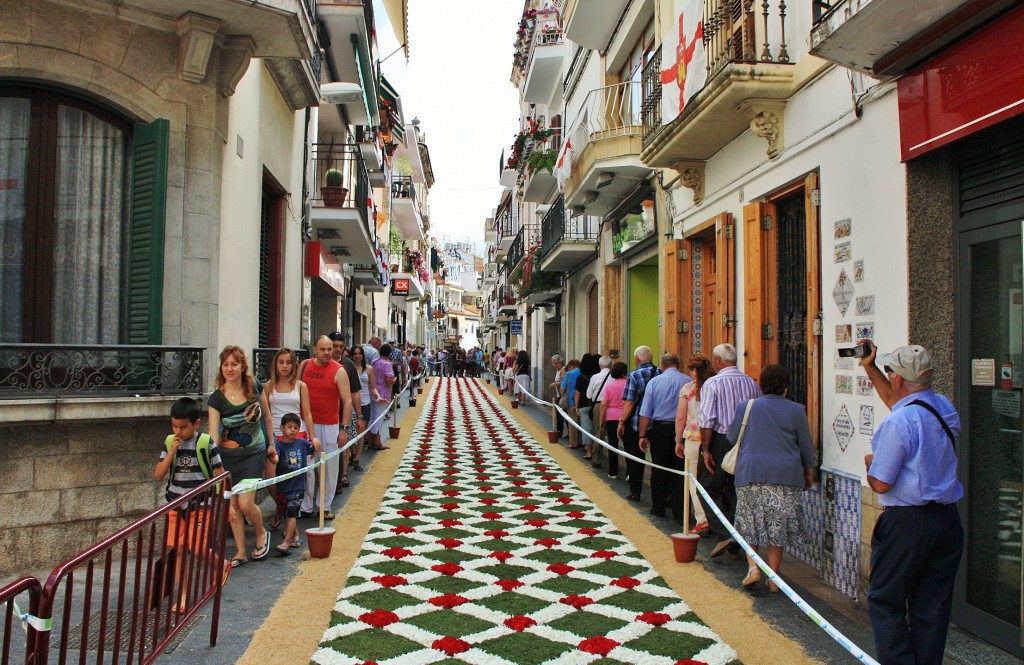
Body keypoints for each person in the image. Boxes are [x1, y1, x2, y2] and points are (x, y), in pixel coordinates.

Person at [860, 342, 963, 665]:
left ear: (900, 380)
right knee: (931, 607)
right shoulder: (943, 407)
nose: (888, 377)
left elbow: (881, 482)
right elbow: (901, 404)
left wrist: (870, 462)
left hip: (907, 524)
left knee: (885, 600)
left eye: (890, 372)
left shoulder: (898, 423)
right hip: (946, 520)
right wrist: (871, 368)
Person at [730, 364, 815, 591]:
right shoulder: (797, 410)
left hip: (751, 472)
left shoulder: (746, 407)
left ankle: (754, 568)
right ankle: (774, 576)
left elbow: (731, 437)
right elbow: (806, 445)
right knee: (777, 525)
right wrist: (809, 471)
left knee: (750, 521)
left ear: (760, 384)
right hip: (786, 473)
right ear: (786, 387)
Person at [155, 397, 231, 607]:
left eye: (183, 427)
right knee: (178, 549)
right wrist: (171, 453)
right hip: (175, 504)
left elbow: (220, 474)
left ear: (196, 424)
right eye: (174, 426)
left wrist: (227, 504)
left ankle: (222, 564)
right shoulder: (170, 442)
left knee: (196, 547)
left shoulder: (206, 443)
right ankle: (183, 596)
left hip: (200, 504)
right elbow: (159, 474)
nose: (178, 431)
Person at [206, 346, 273, 567]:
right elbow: (214, 434)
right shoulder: (216, 399)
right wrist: (212, 460)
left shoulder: (255, 387)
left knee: (245, 503)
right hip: (227, 457)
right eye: (225, 364)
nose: (229, 368)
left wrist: (271, 444)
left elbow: (267, 418)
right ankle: (241, 551)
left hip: (254, 453)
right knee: (232, 506)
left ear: (243, 366)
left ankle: (261, 533)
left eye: (234, 364)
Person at [698, 342, 761, 556]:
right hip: (747, 440)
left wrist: (706, 451)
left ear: (717, 360)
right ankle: (737, 536)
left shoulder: (713, 383)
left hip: (721, 439)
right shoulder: (751, 383)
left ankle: (726, 533)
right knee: (735, 489)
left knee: (706, 486)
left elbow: (707, 419)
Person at [263, 348, 318, 531]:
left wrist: (312, 436)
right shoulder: (268, 386)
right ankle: (281, 507)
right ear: (275, 364)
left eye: (288, 362)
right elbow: (267, 415)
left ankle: (291, 512)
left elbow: (308, 413)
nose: (284, 366)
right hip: (276, 437)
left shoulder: (300, 386)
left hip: (297, 434)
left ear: (293, 365)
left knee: (297, 477)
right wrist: (269, 439)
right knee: (272, 477)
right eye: (281, 362)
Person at [298, 336, 352, 521]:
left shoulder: (339, 371)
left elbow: (347, 400)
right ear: (315, 349)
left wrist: (344, 428)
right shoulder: (304, 366)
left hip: (329, 424)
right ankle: (306, 505)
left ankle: (324, 505)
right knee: (306, 466)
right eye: (323, 349)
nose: (328, 353)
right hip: (305, 423)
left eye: (330, 349)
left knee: (329, 468)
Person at [638, 354, 692, 523]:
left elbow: (646, 411)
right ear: (678, 363)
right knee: (680, 471)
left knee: (659, 468)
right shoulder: (689, 381)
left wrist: (642, 434)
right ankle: (680, 512)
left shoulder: (654, 382)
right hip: (682, 430)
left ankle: (658, 507)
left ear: (662, 364)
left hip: (660, 429)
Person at [266, 413, 321, 556]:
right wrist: (273, 457)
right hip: (283, 487)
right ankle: (295, 537)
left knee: (292, 514)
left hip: (298, 487)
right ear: (282, 428)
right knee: (287, 513)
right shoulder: (278, 445)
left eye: (296, 428)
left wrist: (316, 444)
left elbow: (313, 448)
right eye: (289, 427)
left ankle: (286, 542)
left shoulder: (301, 443)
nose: (293, 430)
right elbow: (276, 460)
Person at [674, 354, 714, 535]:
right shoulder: (715, 386)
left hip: (692, 438)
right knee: (713, 480)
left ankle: (702, 519)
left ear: (694, 370)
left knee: (692, 479)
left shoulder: (687, 388)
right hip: (712, 438)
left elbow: (681, 417)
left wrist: (678, 440)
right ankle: (716, 518)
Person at [617, 346, 659, 502]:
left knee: (635, 458)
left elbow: (629, 402)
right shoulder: (660, 372)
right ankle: (662, 494)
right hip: (657, 423)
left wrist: (621, 422)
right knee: (659, 460)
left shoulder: (634, 375)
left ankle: (635, 491)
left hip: (635, 422)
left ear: (637, 359)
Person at [598, 362, 629, 479]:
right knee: (627, 445)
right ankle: (629, 472)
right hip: (625, 417)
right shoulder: (628, 384)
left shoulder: (609, 386)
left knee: (613, 444)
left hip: (611, 417)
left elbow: (604, 404)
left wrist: (602, 418)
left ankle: (613, 471)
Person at [351, 344, 378, 463]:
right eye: (355, 353)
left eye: (359, 353)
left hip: (365, 403)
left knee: (361, 431)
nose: (357, 356)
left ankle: (357, 458)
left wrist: (377, 395)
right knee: (351, 431)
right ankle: (352, 453)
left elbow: (373, 387)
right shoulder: (348, 368)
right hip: (351, 403)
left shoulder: (369, 369)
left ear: (363, 355)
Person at [370, 343, 396, 449]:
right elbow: (389, 380)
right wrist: (394, 380)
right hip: (383, 393)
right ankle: (377, 442)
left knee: (373, 416)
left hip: (372, 391)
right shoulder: (386, 364)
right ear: (389, 353)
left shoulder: (374, 361)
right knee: (379, 418)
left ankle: (371, 440)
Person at [574, 354, 600, 461]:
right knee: (595, 428)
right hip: (595, 404)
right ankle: (595, 449)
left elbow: (577, 393)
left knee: (586, 428)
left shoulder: (581, 377)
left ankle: (589, 452)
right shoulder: (597, 376)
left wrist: (576, 406)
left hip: (584, 405)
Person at [560, 358, 582, 449]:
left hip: (572, 401)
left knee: (573, 423)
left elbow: (562, 388)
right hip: (583, 402)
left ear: (570, 366)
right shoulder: (582, 373)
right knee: (581, 423)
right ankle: (581, 441)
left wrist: (562, 395)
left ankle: (573, 443)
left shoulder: (569, 374)